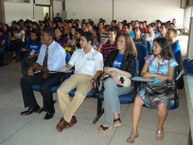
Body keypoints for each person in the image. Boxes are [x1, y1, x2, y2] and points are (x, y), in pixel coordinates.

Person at [127, 37, 178, 143]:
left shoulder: (170, 61)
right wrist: (151, 75)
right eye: (153, 45)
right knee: (137, 100)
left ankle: (160, 127)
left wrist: (154, 74)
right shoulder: (150, 58)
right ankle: (134, 131)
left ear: (163, 48)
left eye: (156, 46)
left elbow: (169, 77)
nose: (153, 48)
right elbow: (143, 73)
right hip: (151, 86)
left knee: (162, 106)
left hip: (165, 87)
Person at [56, 31, 103, 132]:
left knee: (79, 94)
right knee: (60, 90)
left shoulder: (97, 54)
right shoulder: (77, 52)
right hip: (76, 76)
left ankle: (65, 119)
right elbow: (70, 64)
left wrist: (93, 81)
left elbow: (99, 70)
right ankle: (70, 117)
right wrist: (66, 67)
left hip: (88, 78)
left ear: (89, 42)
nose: (79, 42)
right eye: (80, 40)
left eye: (82, 40)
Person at [20, 28, 66, 120]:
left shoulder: (58, 49)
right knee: (24, 80)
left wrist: (37, 67)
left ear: (50, 37)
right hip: (44, 71)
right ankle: (33, 106)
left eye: (43, 35)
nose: (40, 37)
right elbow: (39, 61)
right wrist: (32, 67)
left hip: (56, 74)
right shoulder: (43, 46)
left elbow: (53, 68)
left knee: (44, 87)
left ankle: (50, 110)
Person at [97, 33, 137, 132]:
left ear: (127, 43)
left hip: (125, 85)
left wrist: (114, 70)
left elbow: (130, 74)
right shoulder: (113, 53)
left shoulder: (131, 56)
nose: (118, 42)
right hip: (112, 82)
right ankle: (116, 116)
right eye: (118, 40)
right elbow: (105, 68)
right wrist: (112, 75)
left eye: (121, 41)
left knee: (108, 89)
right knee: (109, 87)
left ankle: (108, 122)